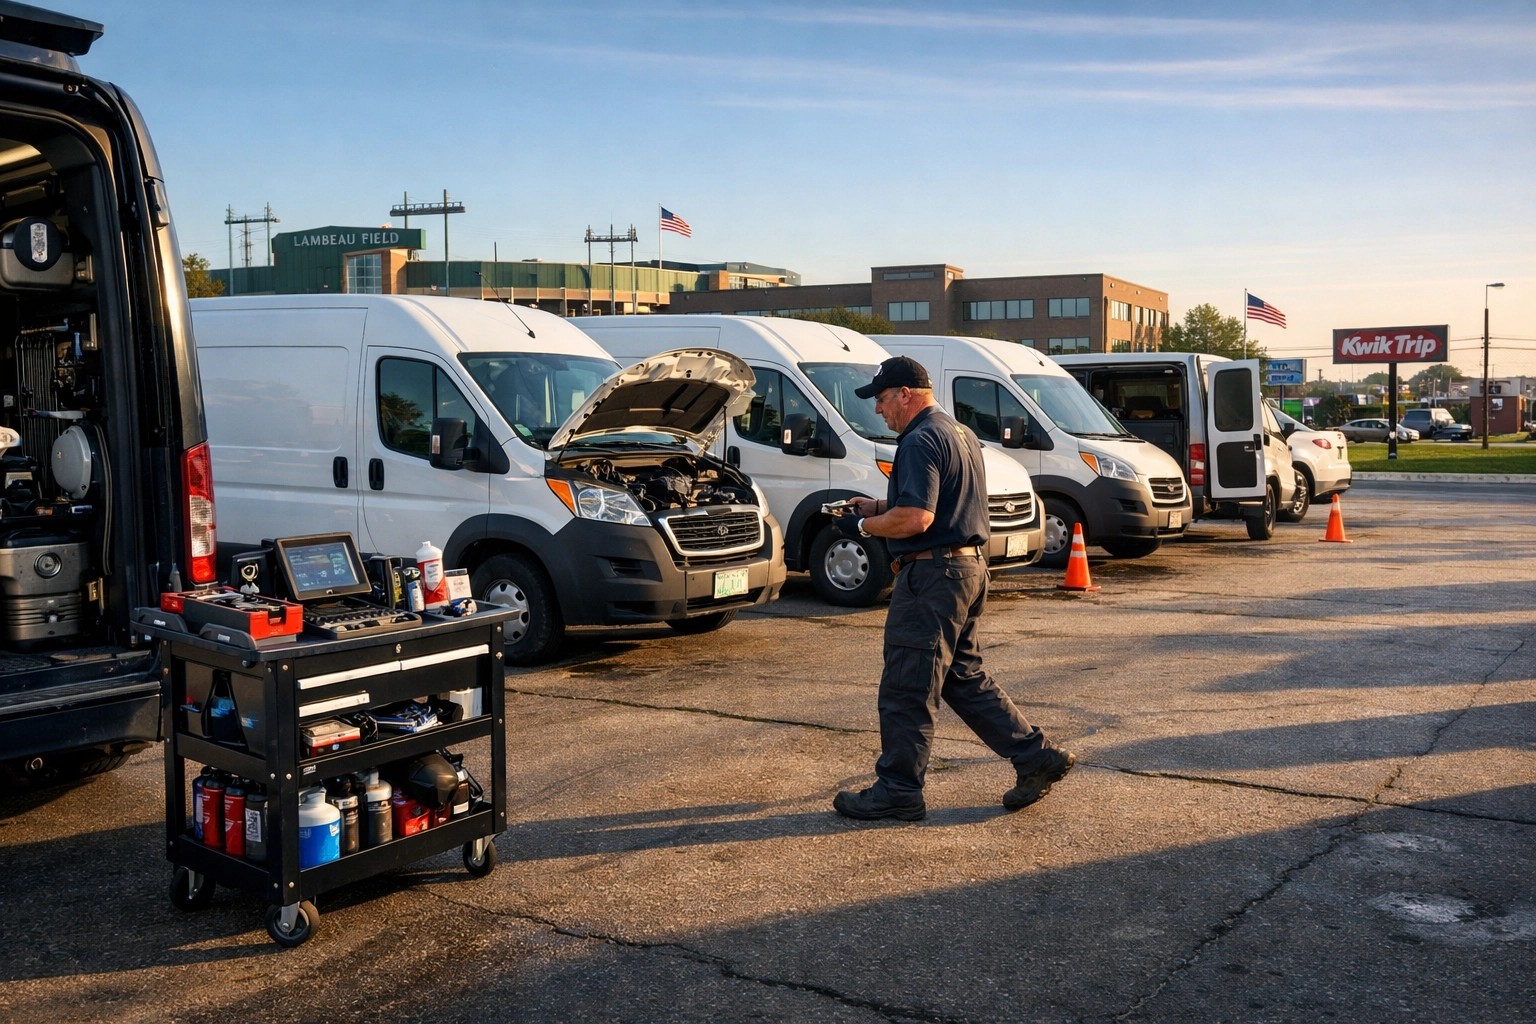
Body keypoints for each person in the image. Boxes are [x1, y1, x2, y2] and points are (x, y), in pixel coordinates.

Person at [831, 356, 1074, 821]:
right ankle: (1035, 757)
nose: (879, 411)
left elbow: (916, 518)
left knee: (907, 684)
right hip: (967, 570)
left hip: (933, 577)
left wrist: (862, 523)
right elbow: (941, 503)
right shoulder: (959, 433)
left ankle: (899, 789)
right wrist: (878, 502)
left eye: (882, 400)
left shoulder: (919, 439)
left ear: (906, 394)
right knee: (961, 678)